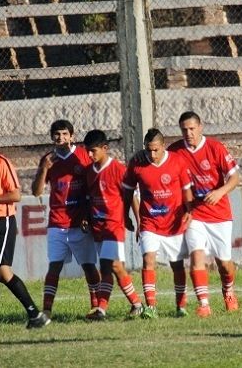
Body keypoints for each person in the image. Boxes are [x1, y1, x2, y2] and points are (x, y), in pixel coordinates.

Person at [0, 124, 50, 334]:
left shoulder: (1, 163)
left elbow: (15, 195)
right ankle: (35, 316)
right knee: (3, 273)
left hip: (2, 222)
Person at [168, 111, 240, 316]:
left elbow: (235, 178)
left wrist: (220, 192)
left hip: (220, 215)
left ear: (201, 127)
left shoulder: (215, 148)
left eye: (192, 128)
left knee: (224, 264)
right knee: (196, 255)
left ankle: (228, 291)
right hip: (195, 213)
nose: (188, 133)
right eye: (184, 130)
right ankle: (204, 304)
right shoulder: (175, 151)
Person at [31, 120, 101, 320]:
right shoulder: (48, 159)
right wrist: (44, 169)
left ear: (72, 136)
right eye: (56, 135)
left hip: (79, 222)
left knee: (88, 265)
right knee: (54, 266)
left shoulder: (83, 156)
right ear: (52, 137)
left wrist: (88, 215)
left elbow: (92, 186)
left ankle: (96, 307)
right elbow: (36, 192)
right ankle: (46, 310)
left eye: (64, 134)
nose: (60, 138)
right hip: (57, 222)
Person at [122, 128, 194, 319]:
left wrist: (189, 210)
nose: (151, 154)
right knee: (148, 260)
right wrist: (125, 215)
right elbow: (128, 192)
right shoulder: (137, 163)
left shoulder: (177, 161)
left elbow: (187, 189)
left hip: (173, 222)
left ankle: (181, 306)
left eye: (155, 150)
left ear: (163, 146)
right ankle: (151, 307)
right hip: (149, 222)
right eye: (148, 150)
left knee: (177, 265)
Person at [82, 129, 144, 320]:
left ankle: (133, 305)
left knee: (113, 265)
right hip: (98, 226)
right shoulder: (89, 172)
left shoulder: (118, 169)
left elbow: (131, 195)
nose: (90, 155)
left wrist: (138, 220)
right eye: (88, 151)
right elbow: (89, 198)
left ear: (105, 148)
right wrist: (86, 217)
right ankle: (112, 308)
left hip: (114, 225)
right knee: (109, 268)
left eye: (93, 151)